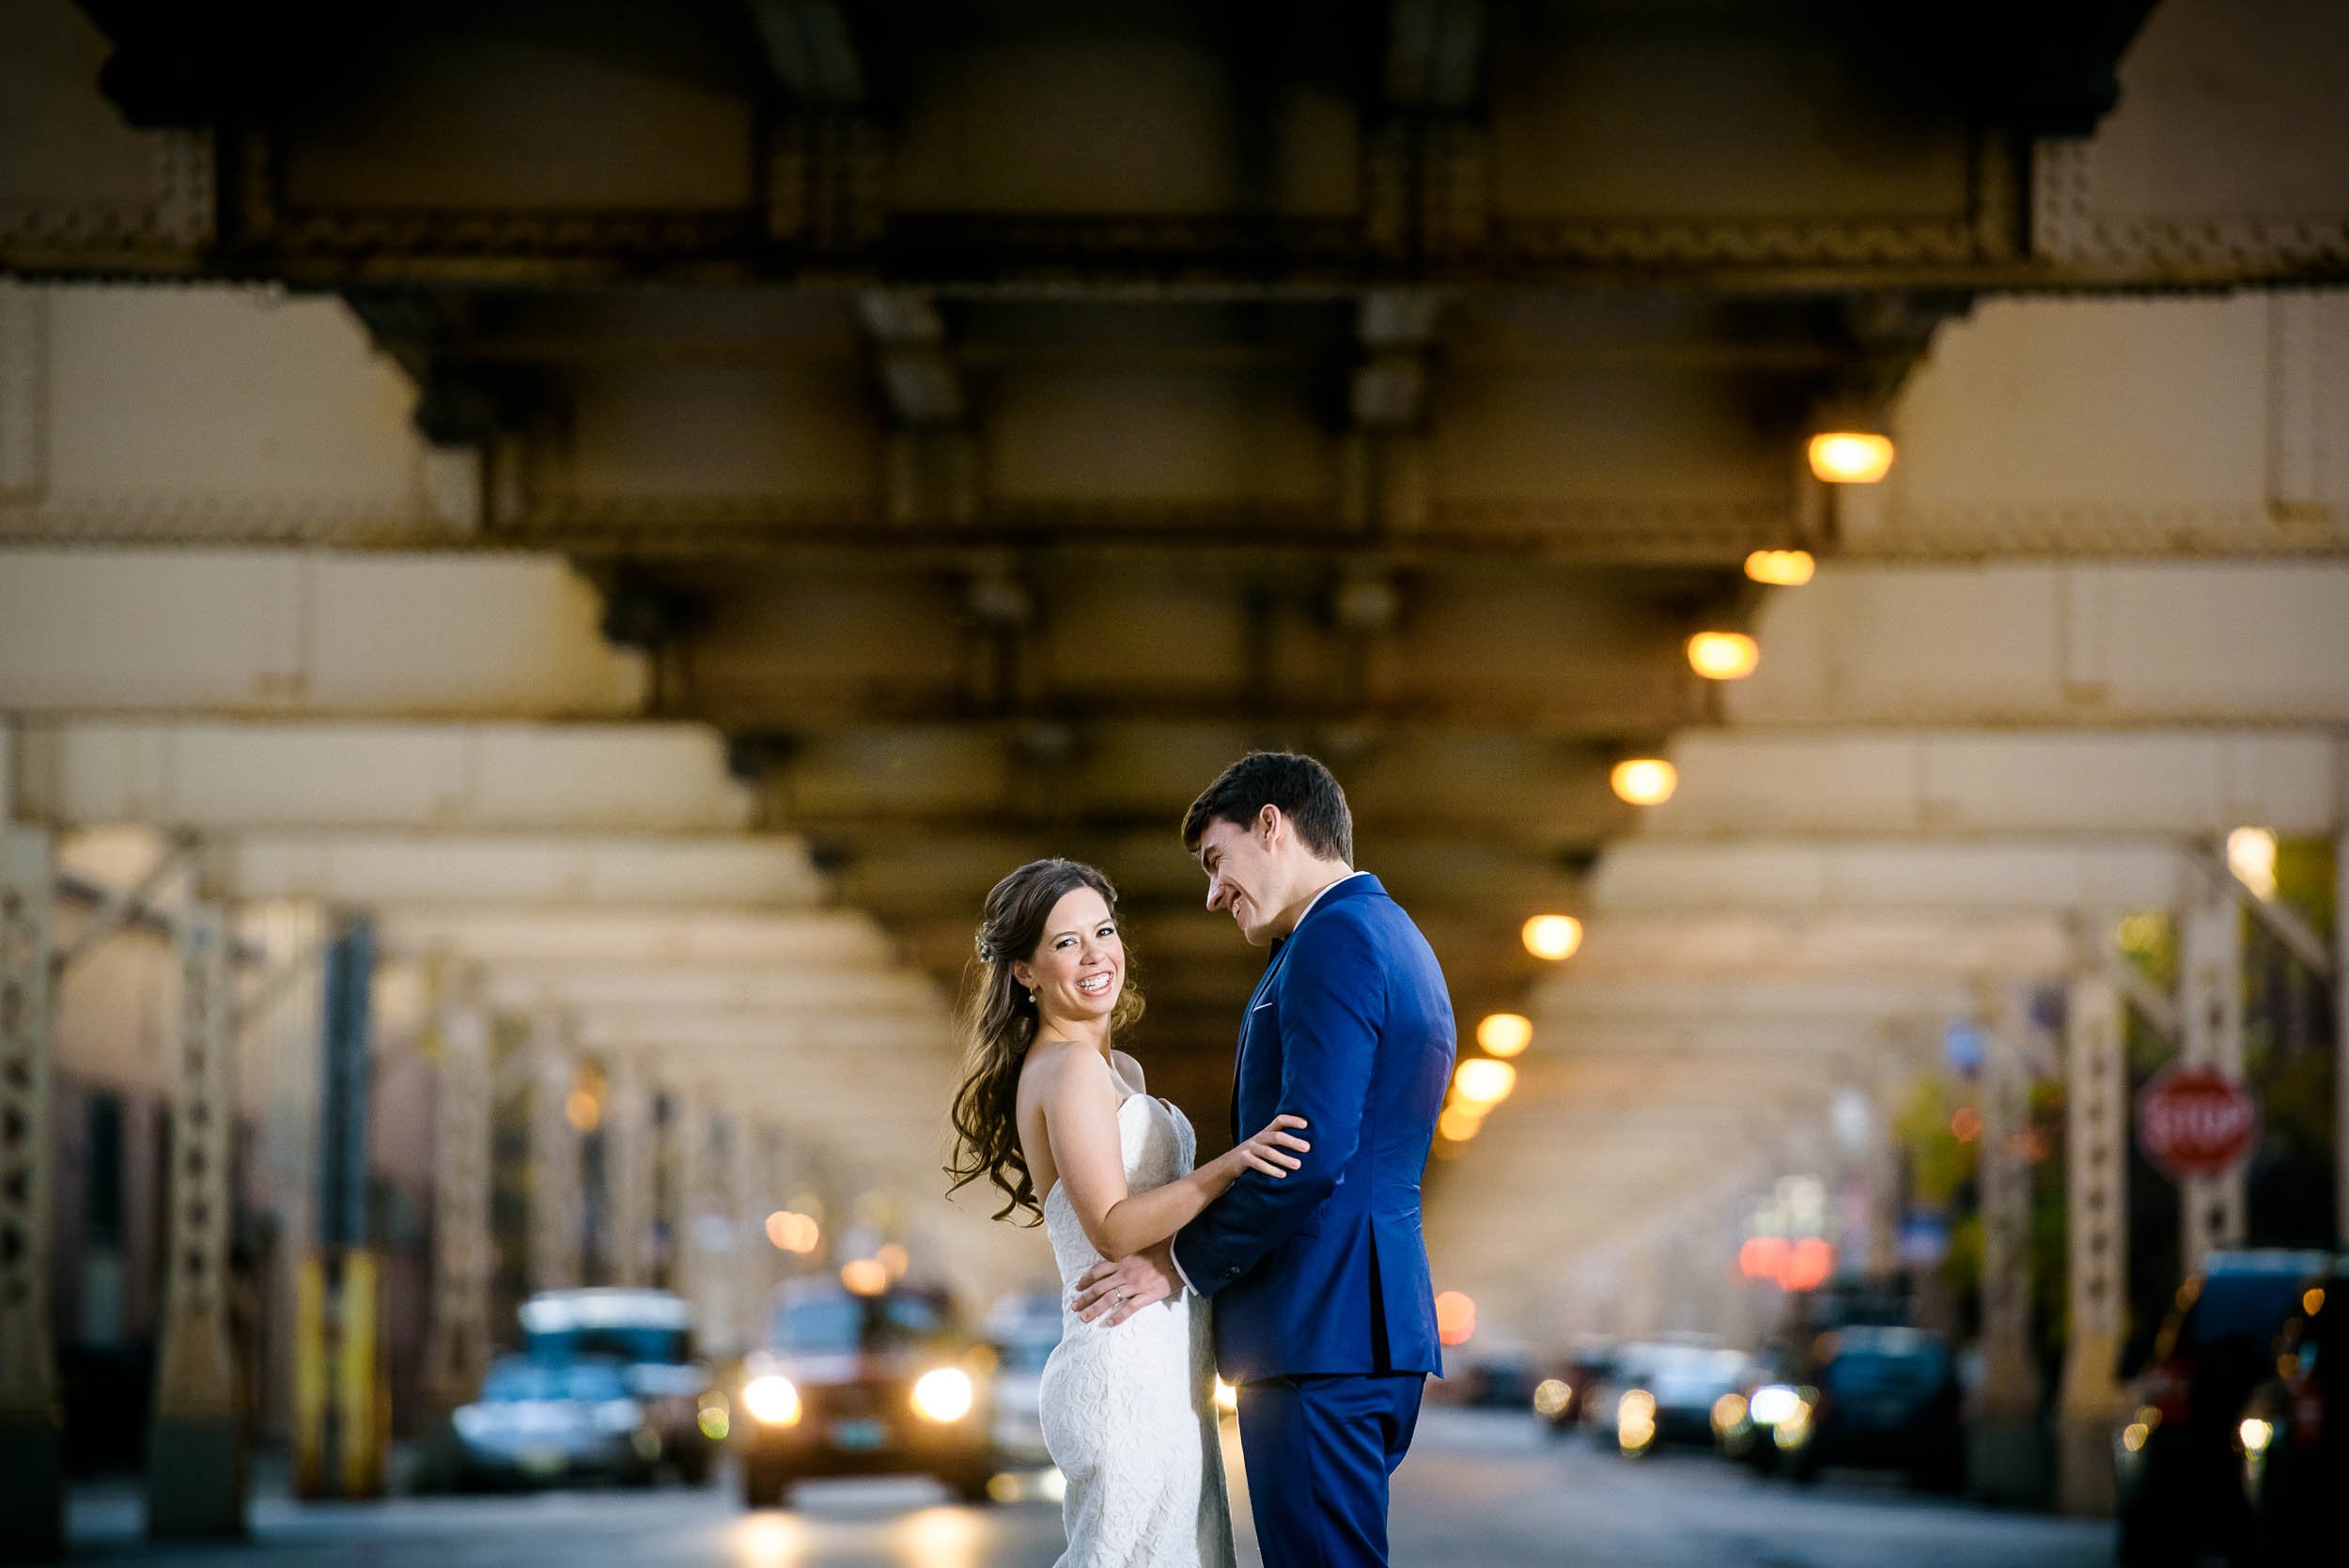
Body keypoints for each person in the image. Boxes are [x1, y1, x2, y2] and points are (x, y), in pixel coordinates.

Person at [1072, 752, 1455, 1568]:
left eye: (1217, 860)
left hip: (1317, 1327)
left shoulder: (1334, 940)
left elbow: (1310, 1154)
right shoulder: (1395, 934)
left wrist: (1180, 1262)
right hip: (1363, 1326)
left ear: (1273, 824)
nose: (1213, 894)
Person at [947, 857, 1311, 1568]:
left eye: (1103, 931)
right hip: (1121, 1368)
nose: (1095, 955)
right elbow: (1112, 1226)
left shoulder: (1119, 1070)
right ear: (1026, 971)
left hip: (1168, 1365)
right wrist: (1234, 1162)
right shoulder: (1067, 1068)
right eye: (1064, 942)